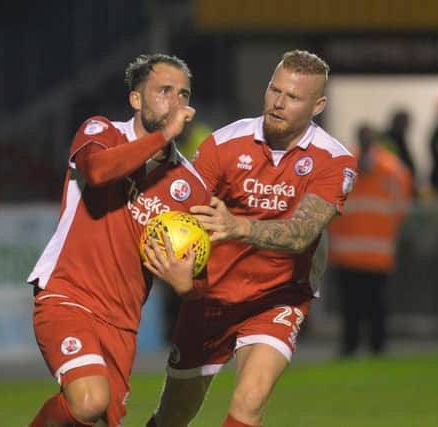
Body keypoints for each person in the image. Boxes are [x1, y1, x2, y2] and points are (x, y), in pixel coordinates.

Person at [146, 49, 357, 427]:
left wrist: (239, 226)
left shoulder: (334, 161)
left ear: (318, 105)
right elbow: (180, 215)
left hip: (277, 297)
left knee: (249, 404)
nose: (277, 103)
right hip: (210, 294)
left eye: (293, 97)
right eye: (274, 90)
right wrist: (176, 269)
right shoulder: (224, 143)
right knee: (174, 416)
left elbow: (301, 234)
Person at [26, 53, 210, 427]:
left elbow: (204, 278)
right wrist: (162, 136)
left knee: (96, 413)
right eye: (164, 90)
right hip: (68, 295)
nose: (175, 101)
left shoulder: (190, 187)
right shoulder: (102, 132)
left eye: (183, 94)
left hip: (123, 324)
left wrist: (187, 285)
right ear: (136, 99)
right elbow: (96, 172)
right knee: (90, 400)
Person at [328, 124, 413, 358]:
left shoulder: (344, 166)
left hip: (354, 250)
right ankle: (372, 347)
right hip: (373, 250)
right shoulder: (392, 169)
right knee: (368, 305)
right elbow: (401, 208)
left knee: (359, 305)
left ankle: (357, 346)